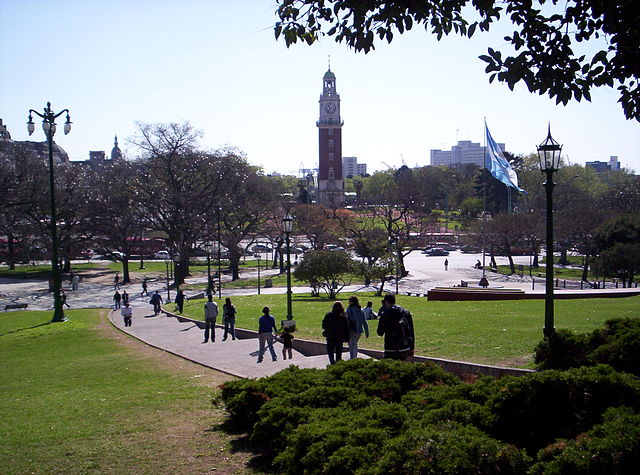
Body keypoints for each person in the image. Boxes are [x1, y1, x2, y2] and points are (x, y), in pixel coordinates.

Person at [376, 294, 415, 360]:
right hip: (404, 346)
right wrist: (412, 347)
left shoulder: (385, 314)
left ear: (386, 302)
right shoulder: (406, 312)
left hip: (391, 347)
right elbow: (411, 330)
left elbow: (380, 332)